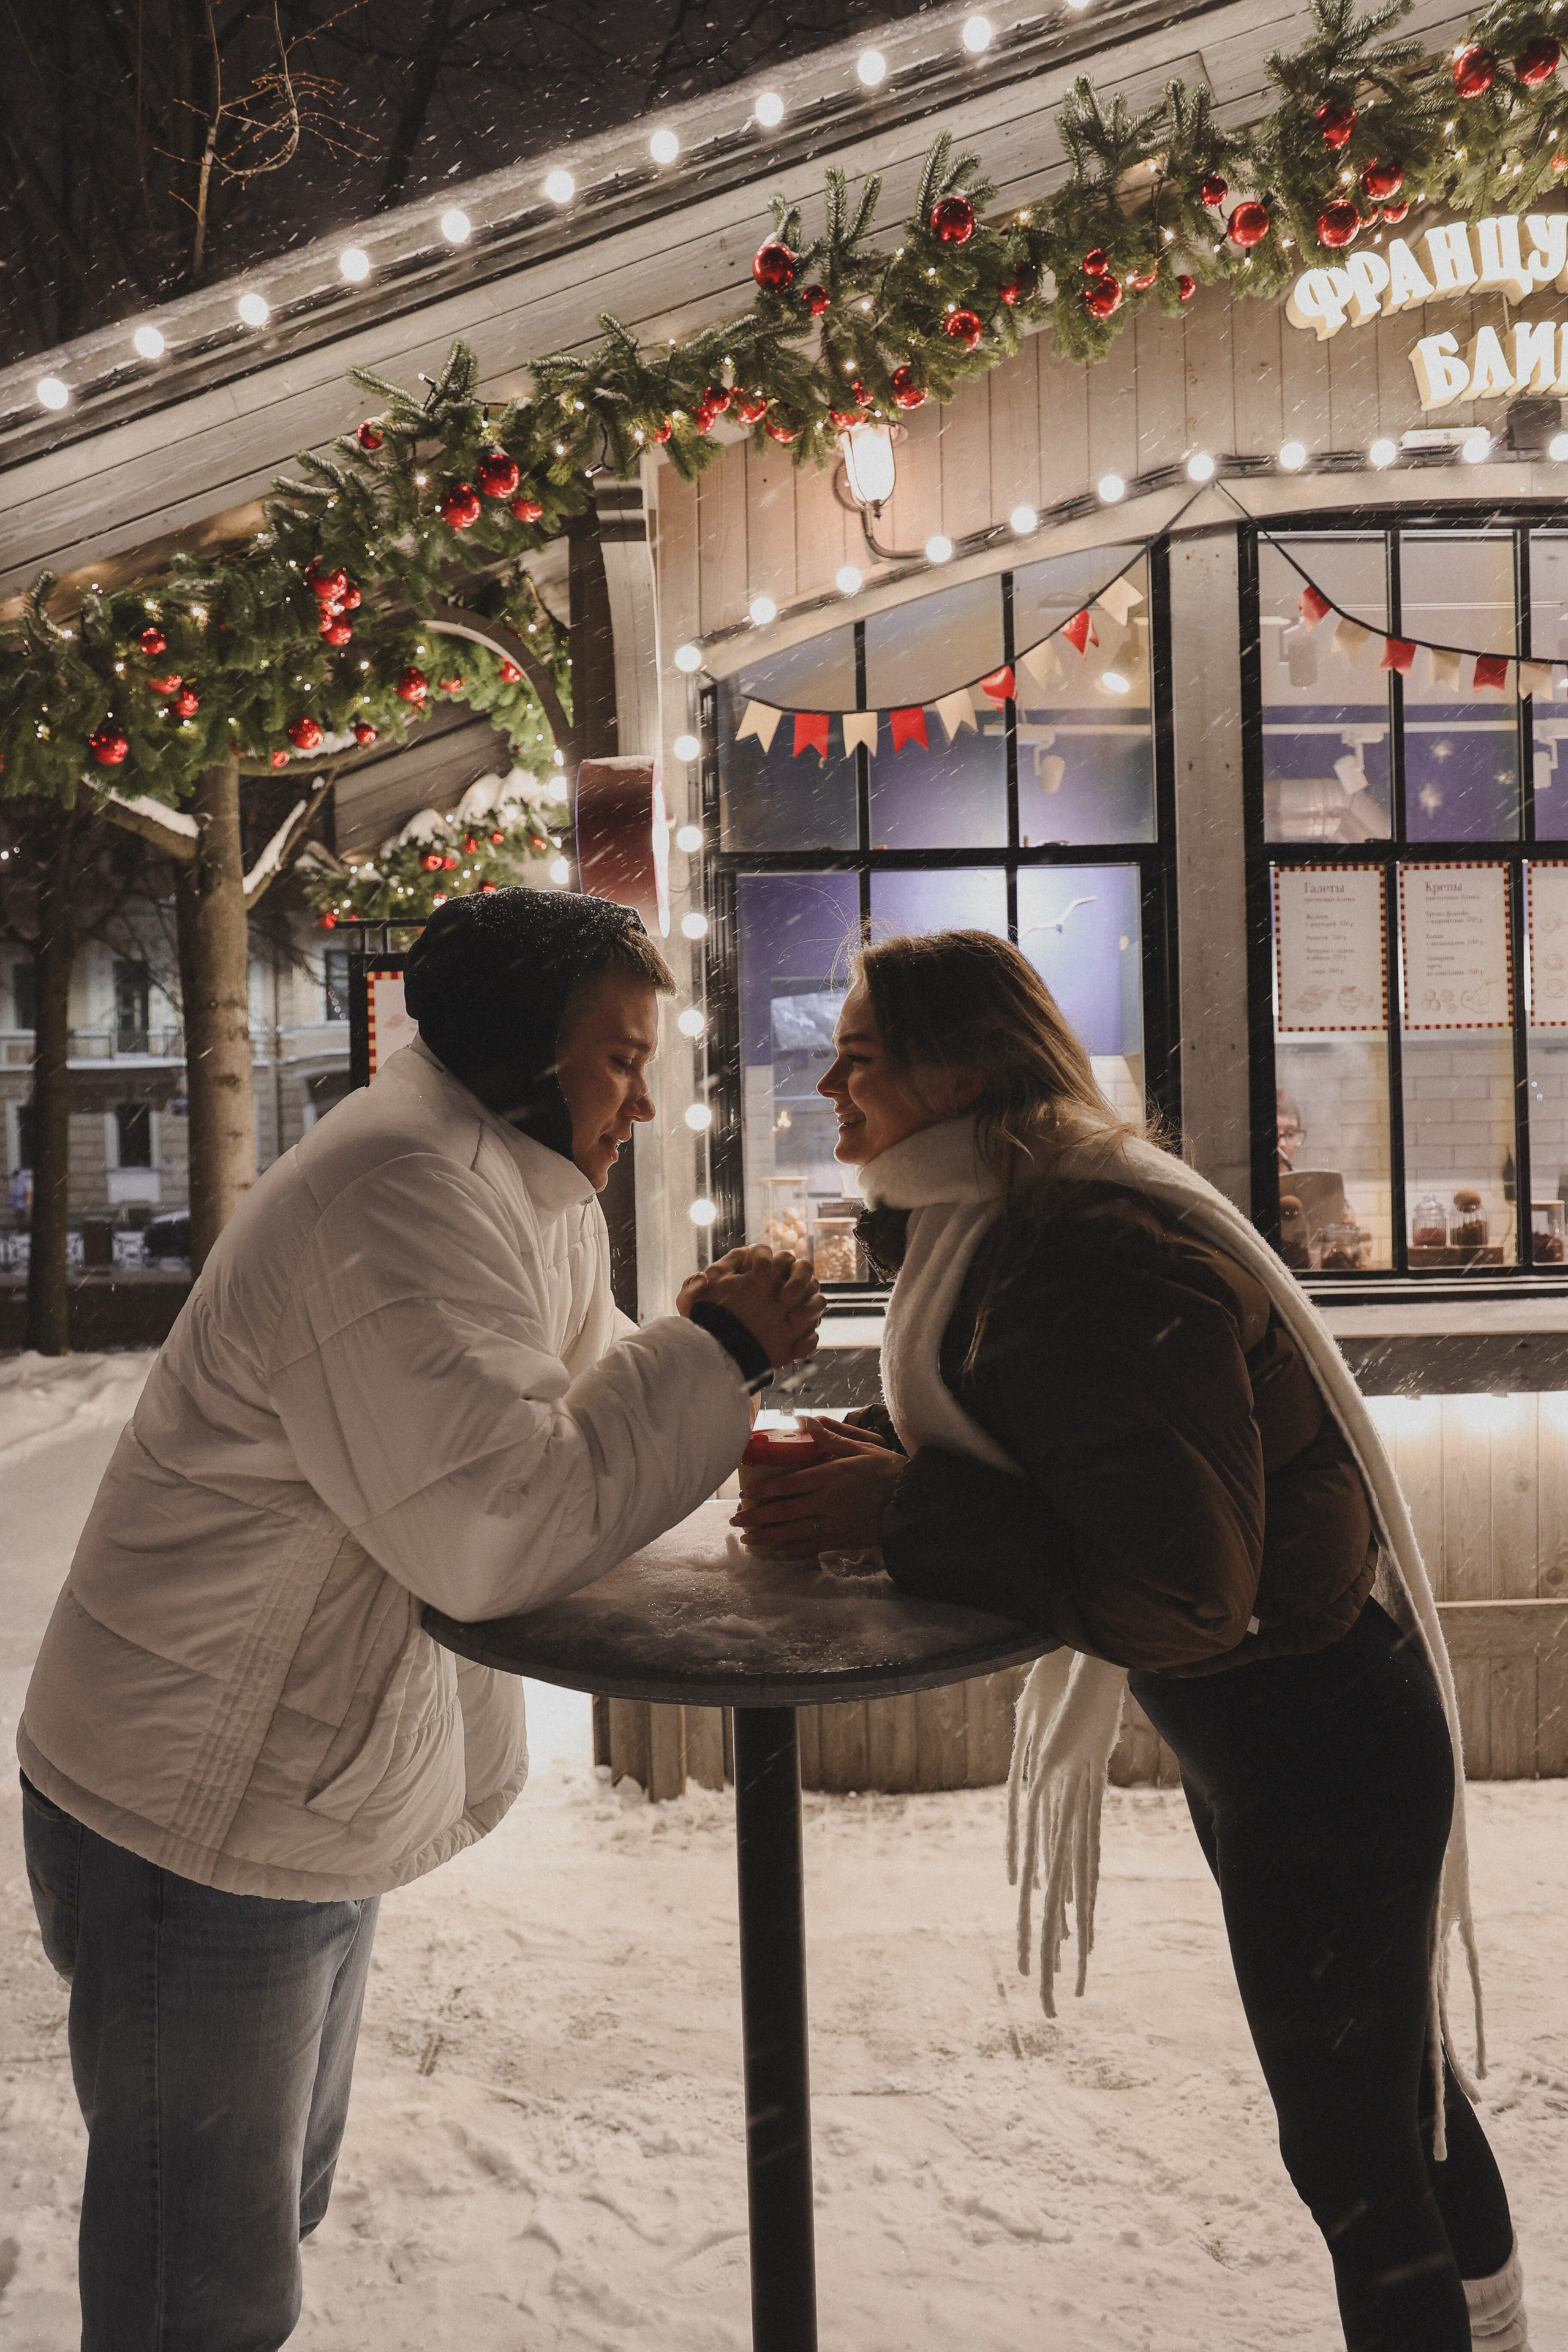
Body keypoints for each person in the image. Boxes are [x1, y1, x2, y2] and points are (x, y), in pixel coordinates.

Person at [17, 886, 821, 2352]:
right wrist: (708, 1352)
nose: (643, 1100)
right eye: (619, 1059)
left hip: (278, 1777)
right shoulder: (395, 1199)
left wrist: (690, 1359)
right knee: (196, 2282)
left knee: (257, 2219)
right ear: (521, 1053)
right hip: (188, 1804)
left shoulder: (503, 1179)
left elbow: (547, 1415)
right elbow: (495, 1520)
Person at [734, 929, 1526, 2352]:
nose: (826, 1086)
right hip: (1295, 1725)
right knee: (1395, 2106)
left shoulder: (1081, 1250)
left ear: (959, 1070)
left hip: (1312, 1739)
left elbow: (1178, 1592)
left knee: (1355, 2150)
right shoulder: (1007, 1215)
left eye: (857, 1057)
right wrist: (873, 1459)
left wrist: (903, 1500)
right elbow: (1066, 1447)